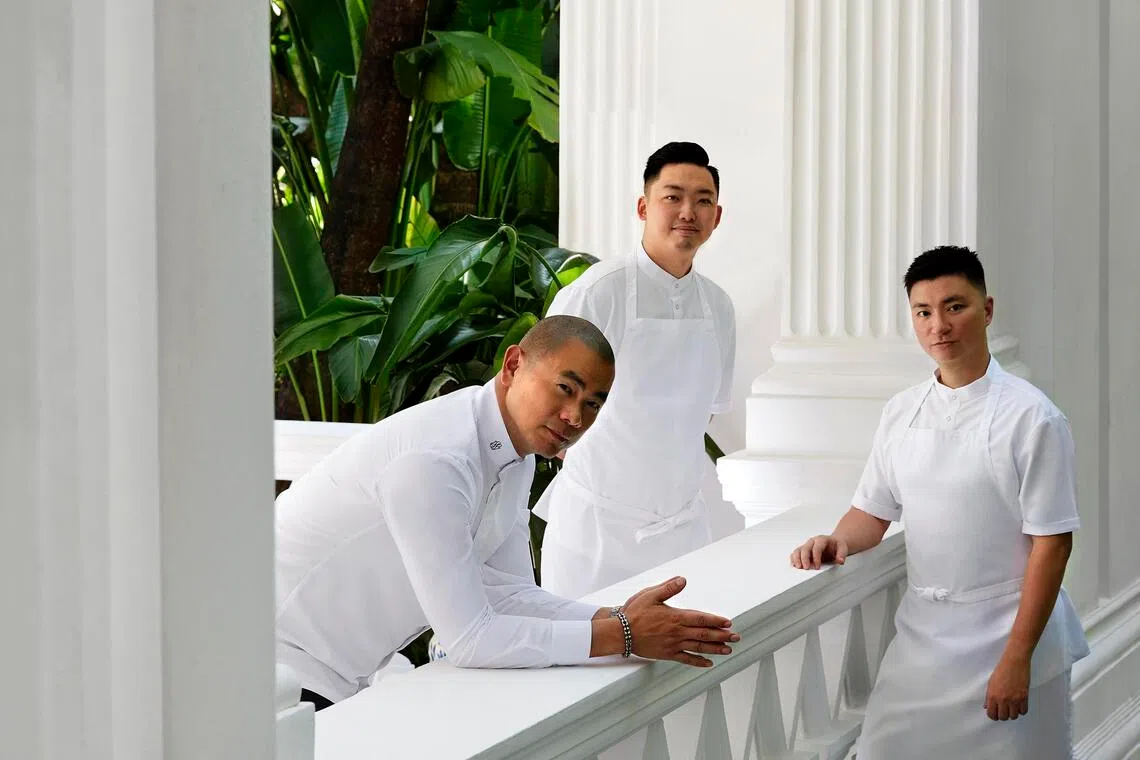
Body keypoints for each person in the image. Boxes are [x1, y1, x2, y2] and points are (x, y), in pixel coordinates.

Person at [275, 315, 740, 710]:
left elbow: (508, 593)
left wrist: (618, 617)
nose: (575, 417)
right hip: (275, 670)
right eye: (565, 388)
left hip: (334, 679)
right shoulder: (437, 460)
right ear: (513, 365)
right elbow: (469, 639)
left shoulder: (515, 456)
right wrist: (623, 633)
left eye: (593, 404)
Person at [790, 246, 1088, 758]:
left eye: (955, 307)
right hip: (923, 642)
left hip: (1008, 635)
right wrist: (836, 540)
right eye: (923, 312)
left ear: (987, 310)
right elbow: (872, 511)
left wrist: (1017, 658)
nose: (939, 326)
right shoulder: (901, 411)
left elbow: (1053, 544)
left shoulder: (1034, 418)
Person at [536, 141, 737, 599]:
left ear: (716, 216)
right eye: (673, 197)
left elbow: (703, 412)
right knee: (585, 643)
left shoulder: (719, 307)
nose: (688, 212)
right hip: (595, 536)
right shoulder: (596, 293)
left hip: (683, 535)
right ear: (644, 207)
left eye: (702, 200)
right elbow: (544, 403)